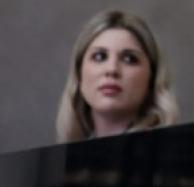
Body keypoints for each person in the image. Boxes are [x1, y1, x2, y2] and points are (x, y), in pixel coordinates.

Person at [55, 10, 178, 142]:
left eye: (129, 59)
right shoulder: (66, 153)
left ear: (152, 78)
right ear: (79, 76)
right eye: (99, 56)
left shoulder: (177, 152)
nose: (112, 69)